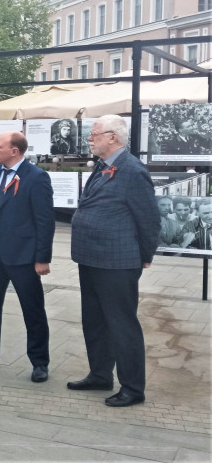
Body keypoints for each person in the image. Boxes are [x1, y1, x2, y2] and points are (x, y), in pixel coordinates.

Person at [69, 114, 161, 408]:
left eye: (94, 134)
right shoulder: (102, 166)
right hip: (91, 258)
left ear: (113, 136)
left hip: (117, 262)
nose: (90, 139)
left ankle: (133, 387)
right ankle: (100, 374)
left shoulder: (132, 170)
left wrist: (145, 255)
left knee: (122, 324)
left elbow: (148, 219)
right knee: (94, 321)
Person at [0, 131, 55, 383]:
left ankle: (39, 362)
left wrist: (42, 258)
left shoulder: (36, 177)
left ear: (14, 151)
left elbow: (44, 220)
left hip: (23, 256)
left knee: (33, 309)